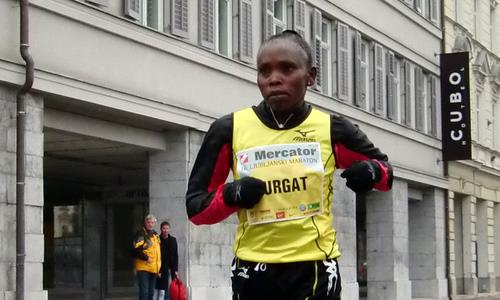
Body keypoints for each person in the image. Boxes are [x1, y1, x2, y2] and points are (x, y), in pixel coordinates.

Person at [186, 30, 393, 300]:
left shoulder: (333, 129)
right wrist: (231, 194)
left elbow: (386, 175)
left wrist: (371, 172)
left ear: (310, 76)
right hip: (254, 269)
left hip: (315, 267)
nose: (274, 79)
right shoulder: (229, 129)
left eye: (287, 69)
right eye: (264, 71)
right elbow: (196, 208)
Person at [132, 214, 162, 300]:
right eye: (149, 222)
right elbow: (136, 250)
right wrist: (146, 258)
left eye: (152, 223)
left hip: (153, 268)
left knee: (151, 292)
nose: (150, 224)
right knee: (144, 292)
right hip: (143, 267)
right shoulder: (141, 233)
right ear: (145, 222)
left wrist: (158, 269)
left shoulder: (155, 235)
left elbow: (158, 253)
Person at [154, 221, 179, 300]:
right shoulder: (157, 240)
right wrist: (158, 269)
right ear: (161, 229)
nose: (165, 230)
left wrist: (175, 270)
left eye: (167, 228)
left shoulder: (173, 240)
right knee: (160, 290)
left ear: (169, 229)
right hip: (160, 268)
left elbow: (175, 255)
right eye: (164, 228)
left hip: (170, 268)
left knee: (169, 289)